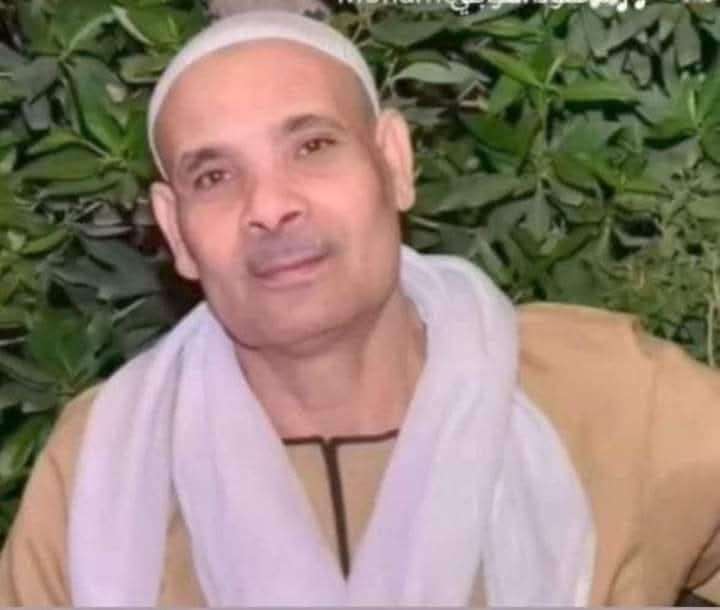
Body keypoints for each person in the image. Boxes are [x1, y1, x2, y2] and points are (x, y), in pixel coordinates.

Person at [3, 7, 720, 607]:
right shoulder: (102, 465)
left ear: (394, 163)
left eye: (312, 145)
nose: (270, 207)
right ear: (175, 230)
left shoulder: (608, 398)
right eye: (215, 175)